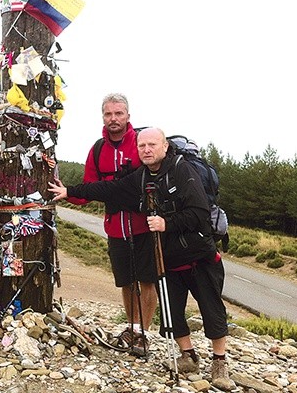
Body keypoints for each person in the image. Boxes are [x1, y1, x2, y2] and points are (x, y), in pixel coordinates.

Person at [49, 127, 236, 390]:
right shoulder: (142, 176)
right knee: (172, 310)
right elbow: (109, 189)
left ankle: (219, 362)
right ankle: (188, 356)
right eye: (142, 146)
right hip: (167, 256)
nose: (146, 150)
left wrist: (166, 223)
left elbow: (199, 213)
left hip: (199, 254)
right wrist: (71, 191)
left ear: (165, 147)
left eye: (152, 145)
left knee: (211, 307)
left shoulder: (183, 171)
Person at [66, 93, 157, 350]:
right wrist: (65, 192)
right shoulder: (98, 149)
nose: (113, 118)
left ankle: (144, 334)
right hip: (115, 226)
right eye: (109, 114)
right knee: (127, 281)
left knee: (147, 280)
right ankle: (132, 327)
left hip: (144, 224)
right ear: (103, 117)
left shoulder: (141, 143)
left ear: (128, 116)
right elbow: (87, 190)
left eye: (119, 113)